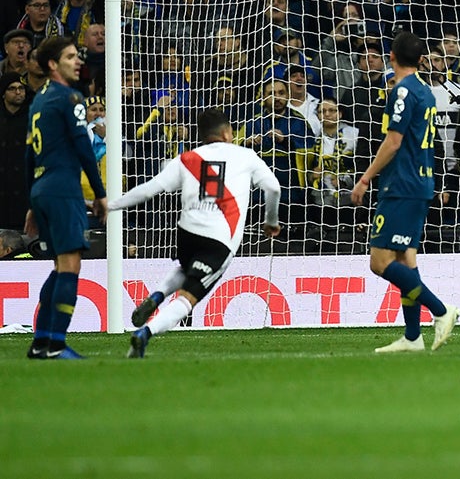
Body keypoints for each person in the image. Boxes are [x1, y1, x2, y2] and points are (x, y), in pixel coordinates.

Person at [113, 109, 282, 357]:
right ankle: (145, 333)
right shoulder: (246, 156)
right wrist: (271, 221)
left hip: (187, 233)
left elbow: (149, 189)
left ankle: (158, 294)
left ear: (203, 136)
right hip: (220, 238)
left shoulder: (187, 158)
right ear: (227, 133)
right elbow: (274, 188)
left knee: (187, 268)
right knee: (187, 298)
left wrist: (111, 205)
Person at [350, 29, 459, 352]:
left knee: (379, 262)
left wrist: (365, 178)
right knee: (405, 259)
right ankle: (413, 336)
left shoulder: (402, 91)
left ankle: (441, 310)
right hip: (421, 181)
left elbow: (394, 141)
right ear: (422, 59)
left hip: (402, 184)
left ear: (391, 57)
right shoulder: (426, 91)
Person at [24, 36, 107, 359]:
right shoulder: (70, 97)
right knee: (70, 265)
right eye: (70, 56)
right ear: (52, 64)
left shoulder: (39, 100)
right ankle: (56, 345)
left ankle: (41, 342)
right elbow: (83, 146)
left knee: (60, 265)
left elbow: (29, 155)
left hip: (42, 189)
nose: (78, 61)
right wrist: (100, 194)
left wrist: (32, 200)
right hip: (62, 188)